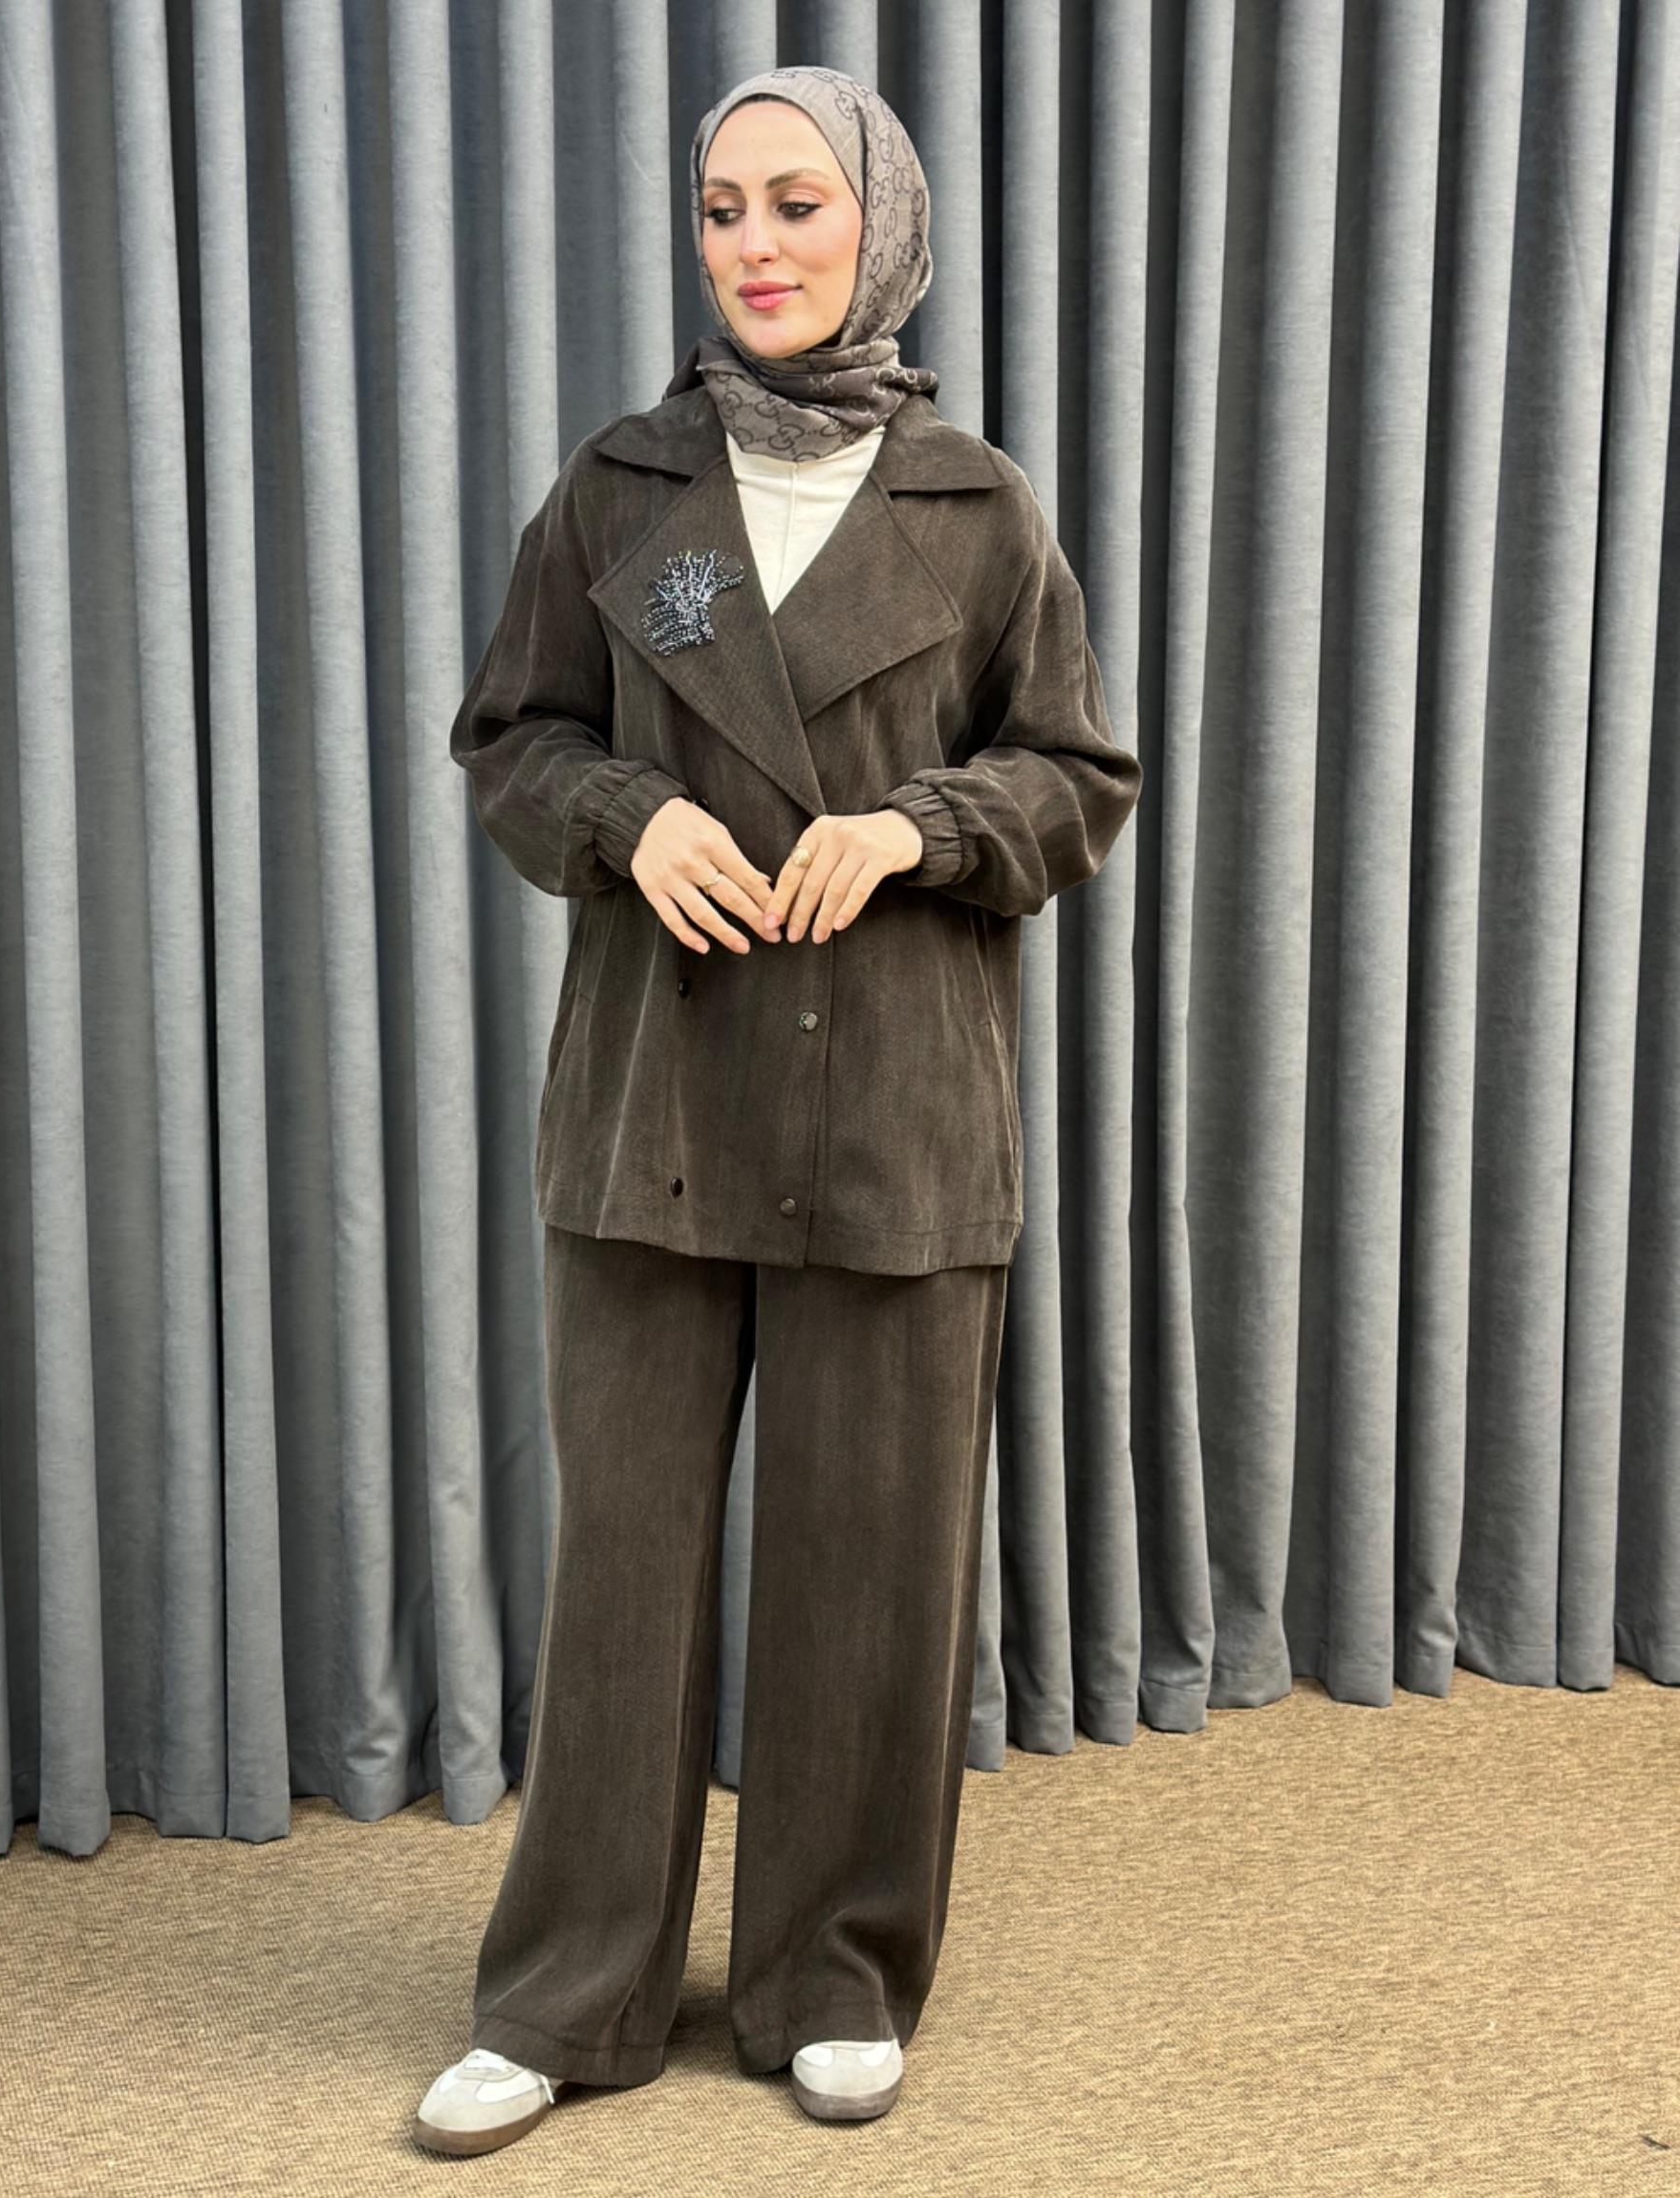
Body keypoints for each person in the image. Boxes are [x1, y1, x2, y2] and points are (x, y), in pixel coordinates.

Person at [414, 64, 1141, 2156]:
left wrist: (919, 828)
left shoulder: (979, 507)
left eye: (797, 203)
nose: (754, 244)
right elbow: (512, 733)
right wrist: (622, 815)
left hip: (899, 1104)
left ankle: (835, 1971)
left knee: (872, 1567)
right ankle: (568, 1995)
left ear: (878, 225)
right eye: (724, 205)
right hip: (655, 1096)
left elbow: (1077, 775)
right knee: (624, 1582)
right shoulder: (622, 485)